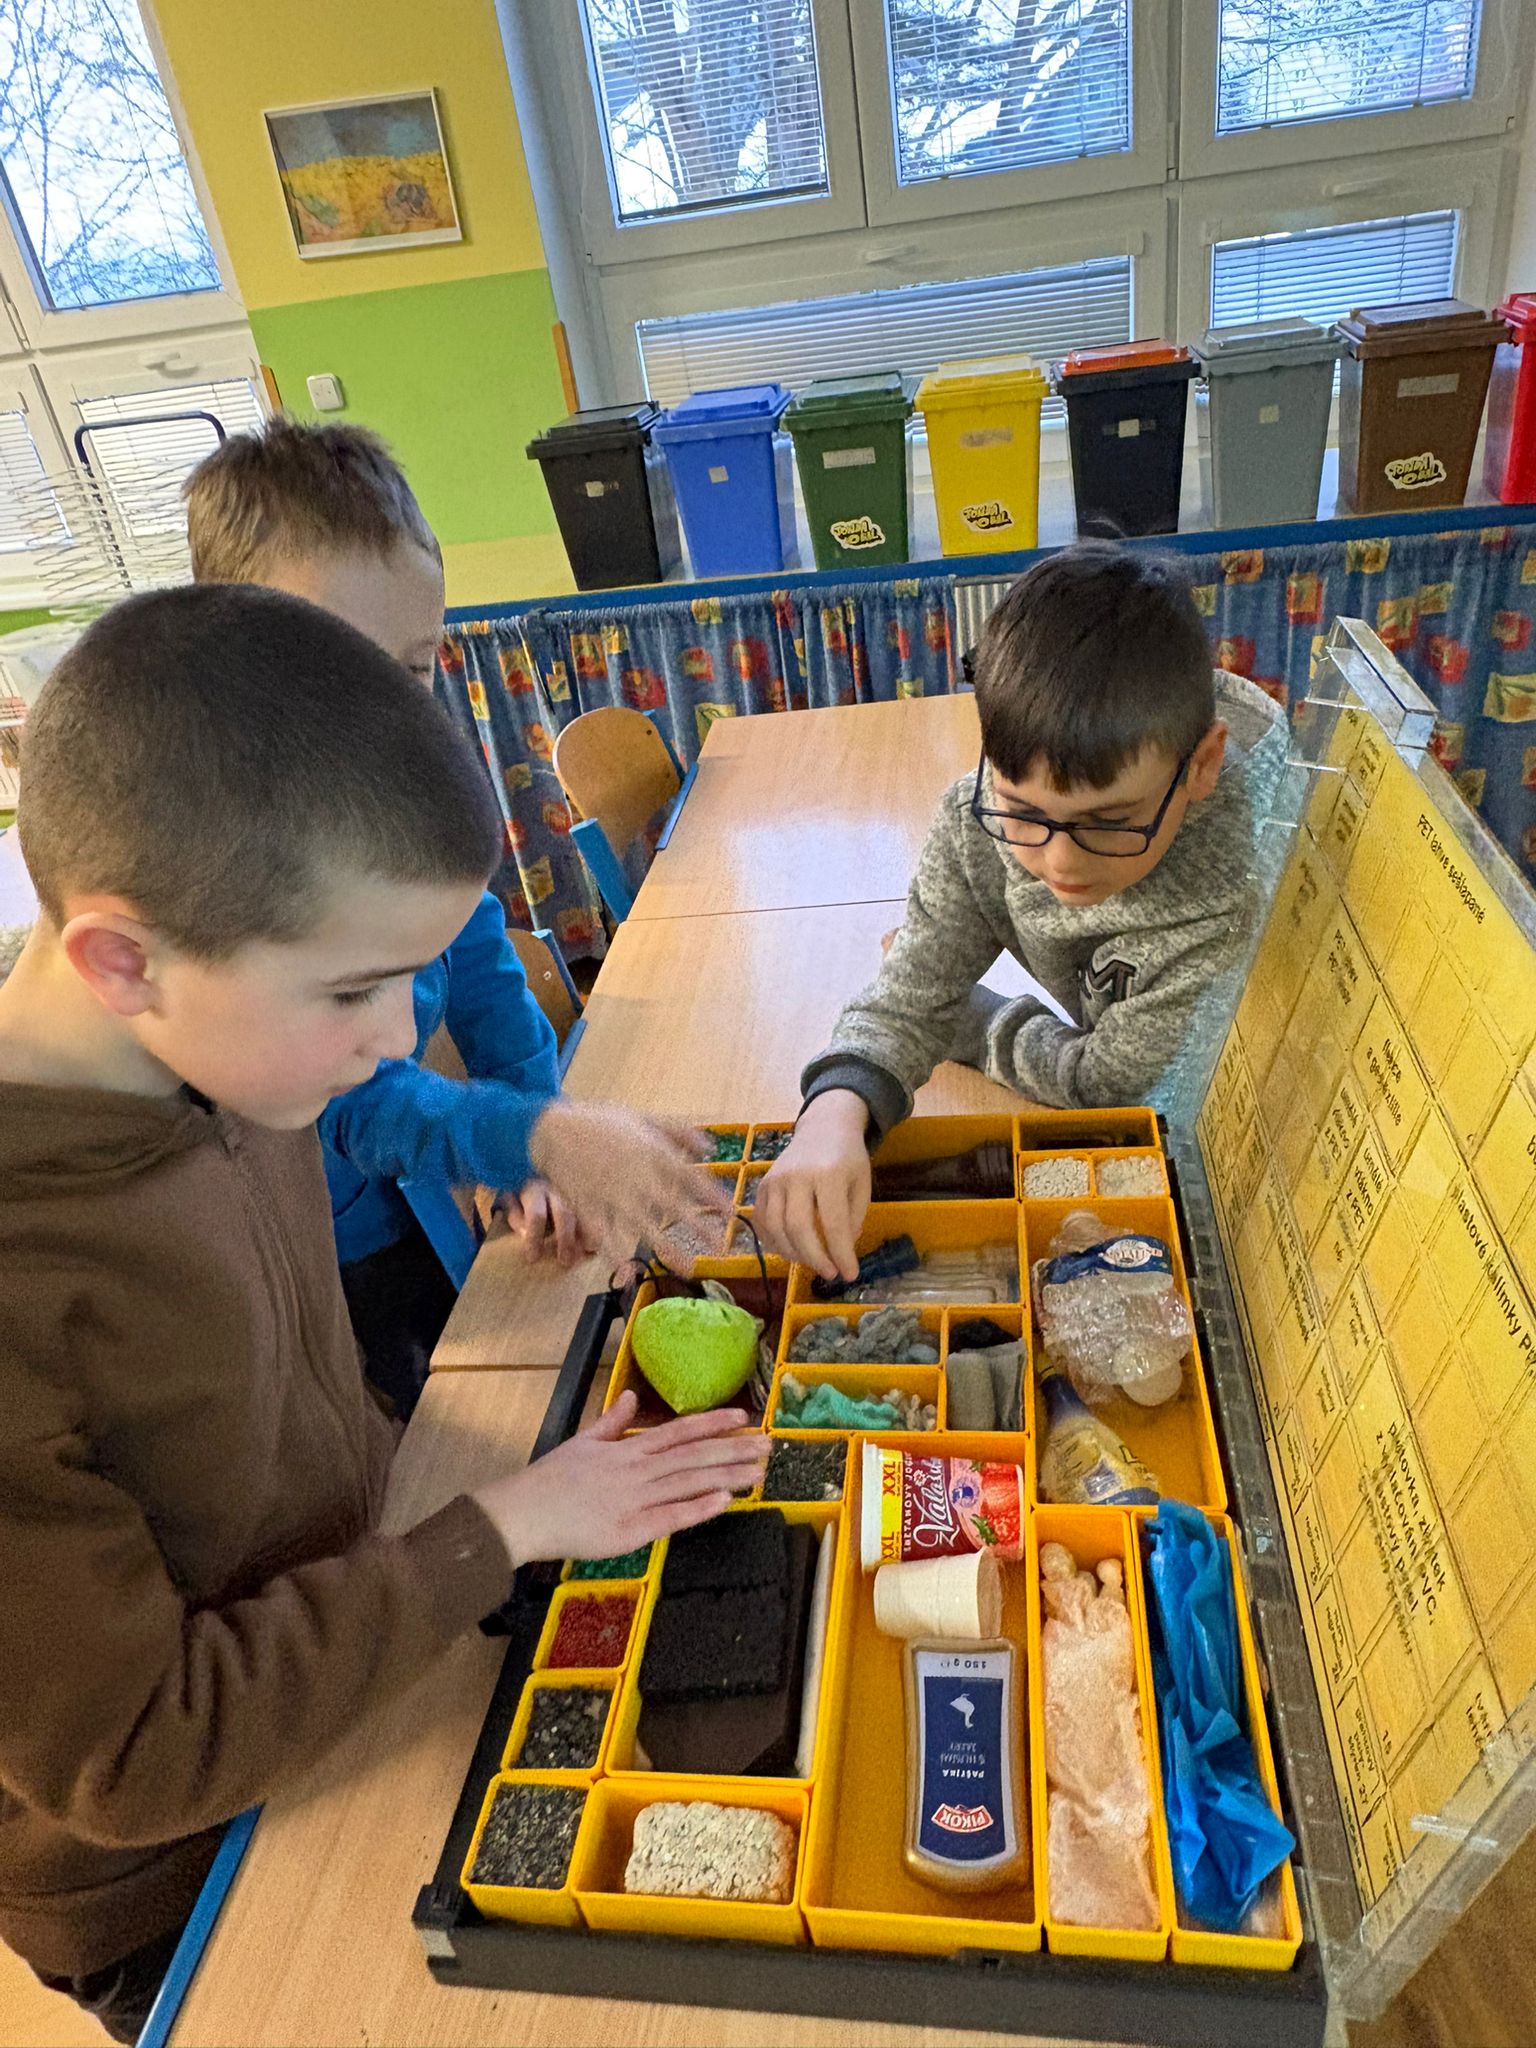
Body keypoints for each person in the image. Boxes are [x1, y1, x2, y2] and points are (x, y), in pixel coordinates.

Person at [0, 586, 762, 2042]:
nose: (399, 1035)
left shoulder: (221, 1054)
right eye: (356, 990)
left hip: (370, 1627)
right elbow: (134, 1756)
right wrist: (500, 1528)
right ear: (122, 960)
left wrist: (461, 1524)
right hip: (179, 1879)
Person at [756, 541, 1287, 1283]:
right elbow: (910, 992)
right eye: (1022, 810)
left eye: (1110, 821)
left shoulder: (1227, 902)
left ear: (1200, 766)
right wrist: (835, 1110)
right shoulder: (977, 818)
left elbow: (1106, 1085)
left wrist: (974, 1021)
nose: (1060, 861)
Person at [183, 418, 572, 1416]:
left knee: (492, 1374)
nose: (389, 709)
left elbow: (485, 971)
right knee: (389, 1426)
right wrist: (517, 1137)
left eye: (414, 666)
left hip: (417, 1195)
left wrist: (535, 1124)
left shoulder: (406, 789)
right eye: (339, 667)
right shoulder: (237, 859)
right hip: (306, 1254)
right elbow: (346, 1094)